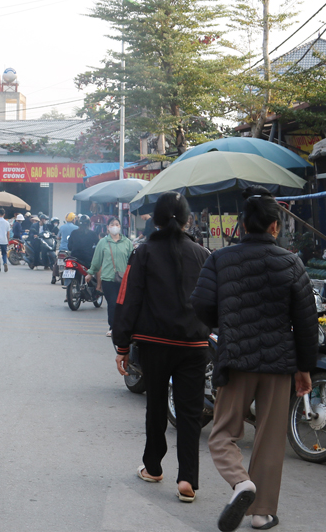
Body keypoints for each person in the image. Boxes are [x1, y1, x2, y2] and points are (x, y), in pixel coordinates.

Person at [190, 187, 317, 532]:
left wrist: (225, 321)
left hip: (236, 357)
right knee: (270, 439)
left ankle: (241, 482)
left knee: (222, 434)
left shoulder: (220, 259)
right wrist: (304, 368)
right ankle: (262, 513)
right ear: (275, 226)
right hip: (279, 362)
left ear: (243, 224)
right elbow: (306, 321)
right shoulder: (291, 263)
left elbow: (200, 303)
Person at [112, 192, 212, 504]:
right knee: (190, 412)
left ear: (154, 219)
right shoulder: (203, 254)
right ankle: (187, 479)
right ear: (187, 220)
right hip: (194, 344)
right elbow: (212, 301)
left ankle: (153, 467)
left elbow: (129, 299)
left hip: (155, 344)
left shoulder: (143, 252)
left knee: (156, 405)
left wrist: (122, 345)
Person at [86, 217, 132, 336]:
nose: (114, 226)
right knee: (112, 303)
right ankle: (113, 327)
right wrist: (90, 273)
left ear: (120, 226)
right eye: (112, 224)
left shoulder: (127, 242)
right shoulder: (103, 242)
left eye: (117, 224)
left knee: (123, 304)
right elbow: (97, 260)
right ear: (107, 227)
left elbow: (132, 261)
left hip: (124, 279)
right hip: (108, 279)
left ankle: (122, 327)